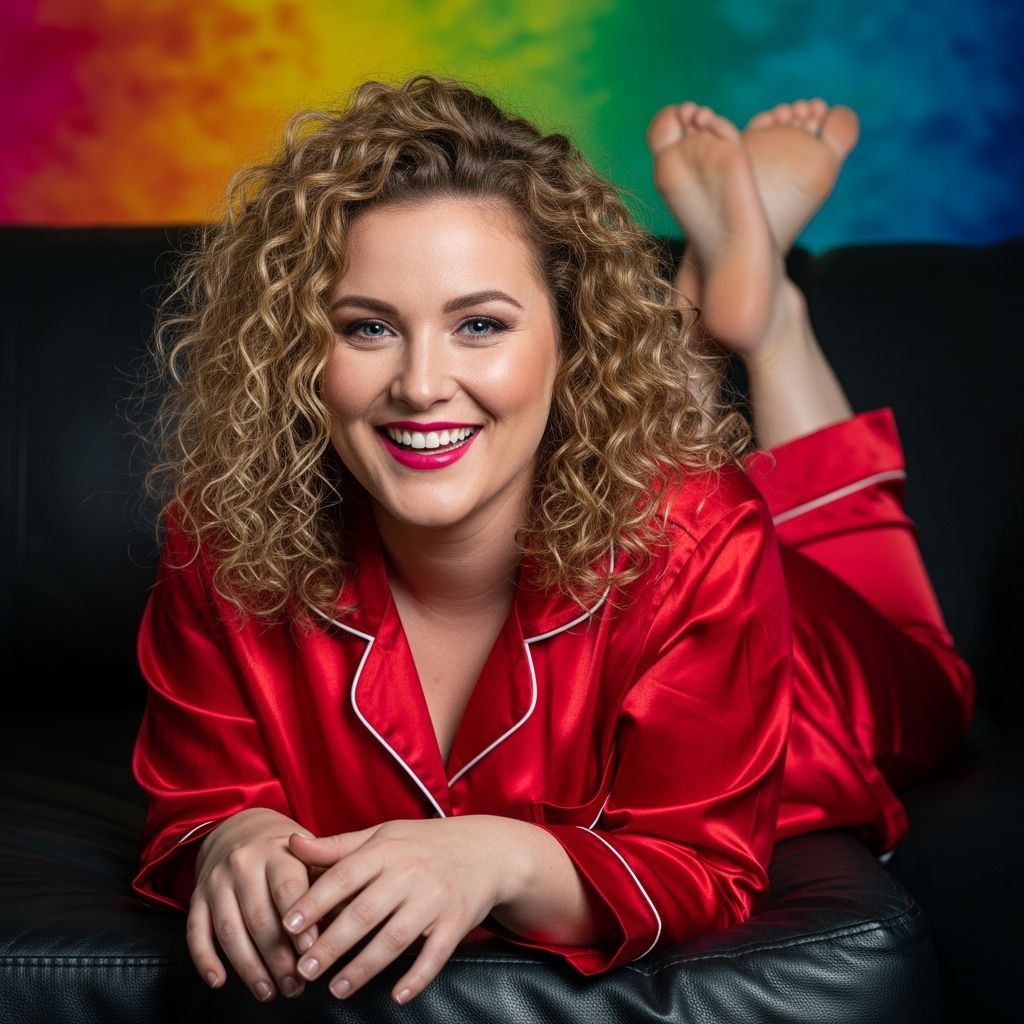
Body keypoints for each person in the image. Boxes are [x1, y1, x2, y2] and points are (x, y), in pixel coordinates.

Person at [131, 77, 975, 1007]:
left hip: (755, 642)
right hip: (630, 513)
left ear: (572, 344)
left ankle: (769, 320)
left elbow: (701, 863)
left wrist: (509, 858)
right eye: (367, 327)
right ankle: (705, 321)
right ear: (299, 353)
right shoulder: (220, 536)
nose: (420, 383)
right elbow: (201, 798)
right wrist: (233, 838)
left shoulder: (700, 537)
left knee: (935, 688)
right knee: (648, 474)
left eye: (479, 325)